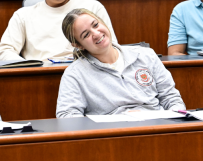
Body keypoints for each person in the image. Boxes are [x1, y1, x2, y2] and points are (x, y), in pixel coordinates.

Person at [56, 8, 185, 118]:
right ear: (78, 45)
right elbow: (67, 115)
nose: (96, 34)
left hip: (157, 129)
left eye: (95, 25)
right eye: (86, 34)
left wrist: (172, 121)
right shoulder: (74, 74)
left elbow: (171, 98)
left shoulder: (146, 55)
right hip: (112, 138)